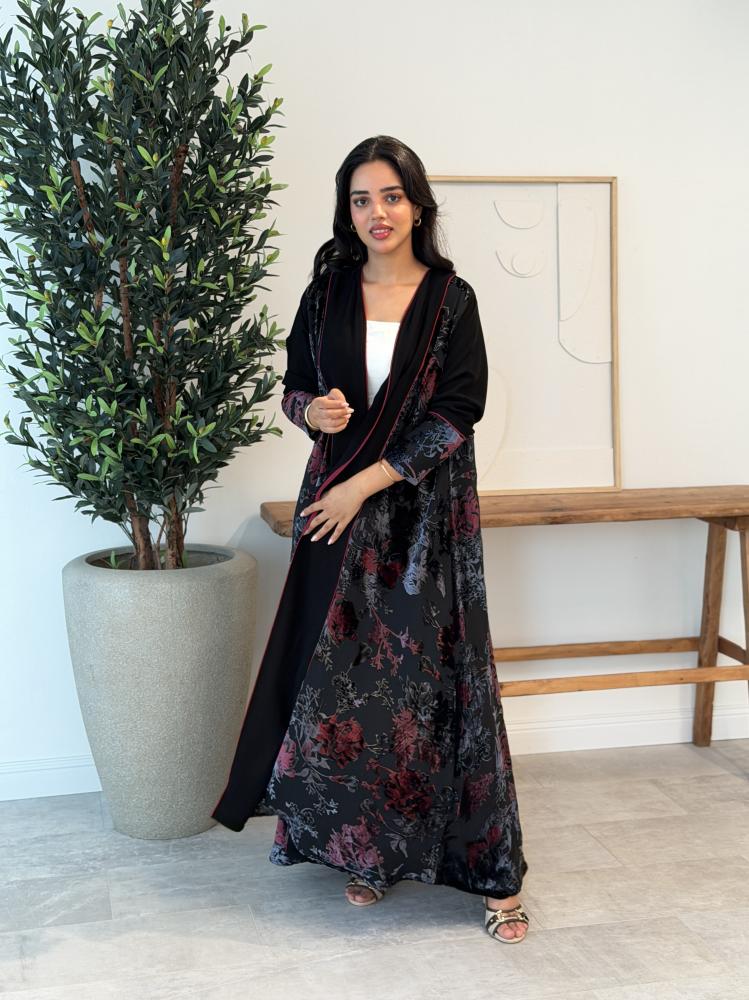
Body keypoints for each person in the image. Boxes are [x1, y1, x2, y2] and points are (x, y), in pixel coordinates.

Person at [211, 135, 530, 943]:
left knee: (435, 685)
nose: (376, 213)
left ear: (417, 205)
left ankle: (492, 877)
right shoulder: (325, 293)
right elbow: (294, 387)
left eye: (390, 196)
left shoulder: (451, 299)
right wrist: (311, 412)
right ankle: (365, 851)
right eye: (361, 199)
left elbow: (457, 415)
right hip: (334, 518)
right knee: (340, 687)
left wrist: (361, 484)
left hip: (421, 520)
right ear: (345, 211)